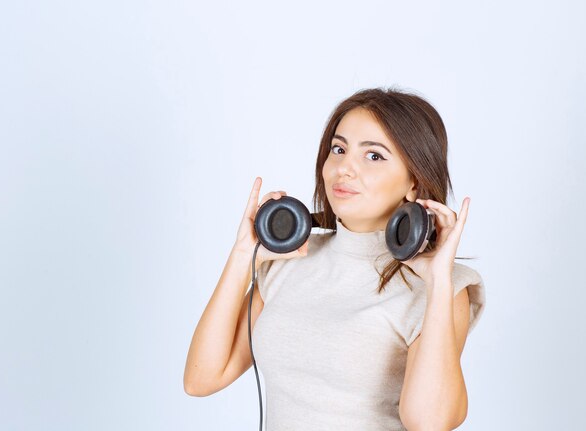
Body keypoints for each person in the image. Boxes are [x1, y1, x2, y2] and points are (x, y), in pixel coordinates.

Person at [183, 87, 487, 431]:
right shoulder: (287, 263)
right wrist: (242, 256)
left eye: (374, 156)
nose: (344, 168)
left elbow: (430, 422)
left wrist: (438, 283)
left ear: (414, 183)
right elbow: (202, 379)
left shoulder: (443, 288)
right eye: (338, 149)